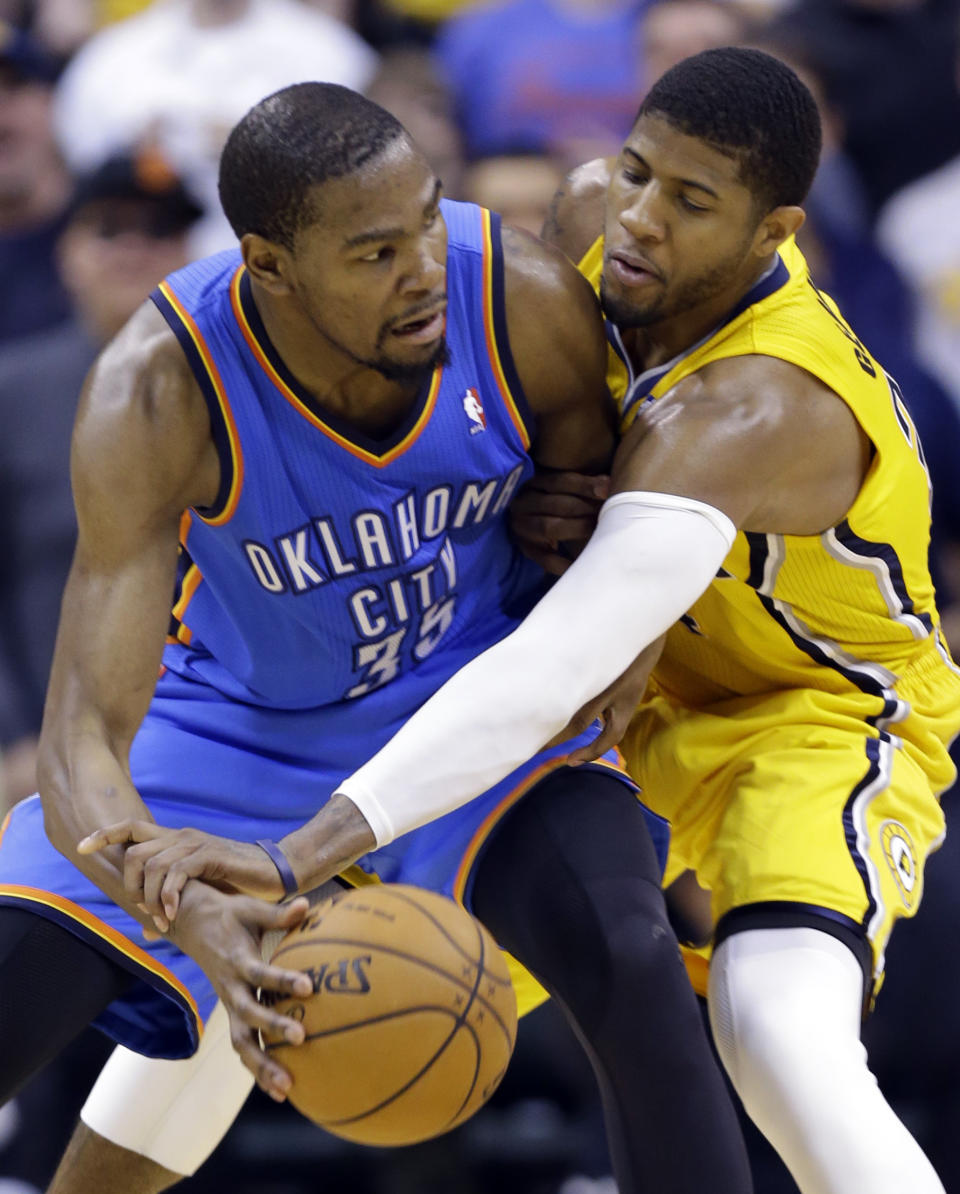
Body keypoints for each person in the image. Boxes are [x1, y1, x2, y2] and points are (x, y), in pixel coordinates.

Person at [123, 49, 959, 1194]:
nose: (641, 220)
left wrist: (298, 848)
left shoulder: (760, 407)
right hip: (632, 693)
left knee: (777, 1032)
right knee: (278, 967)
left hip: (807, 713)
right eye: (636, 173)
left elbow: (557, 664)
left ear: (774, 236)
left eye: (692, 202)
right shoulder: (582, 225)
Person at [0, 82, 752, 1194]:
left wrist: (572, 527)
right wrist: (187, 902)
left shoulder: (514, 297)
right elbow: (78, 752)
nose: (422, 271)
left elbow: (607, 508)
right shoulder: (159, 391)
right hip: (240, 734)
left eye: (426, 221)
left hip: (471, 706)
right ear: (268, 264)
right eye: (373, 254)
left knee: (633, 961)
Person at [0, 147, 201, 813]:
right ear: (69, 253)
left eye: (161, 231)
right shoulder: (13, 392)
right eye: (111, 229)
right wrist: (11, 735)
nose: (135, 250)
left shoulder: (240, 392)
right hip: (39, 748)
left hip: (210, 746)